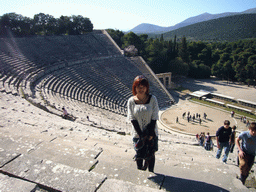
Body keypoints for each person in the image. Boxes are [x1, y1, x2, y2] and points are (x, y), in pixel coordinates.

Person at [127, 75, 159, 172]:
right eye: (138, 87)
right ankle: (140, 172)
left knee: (151, 154)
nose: (141, 89)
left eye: (143, 86)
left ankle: (151, 172)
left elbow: (154, 117)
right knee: (139, 155)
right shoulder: (131, 101)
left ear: (147, 87)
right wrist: (141, 135)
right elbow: (132, 118)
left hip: (151, 133)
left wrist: (149, 134)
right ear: (135, 88)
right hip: (137, 134)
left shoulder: (153, 99)